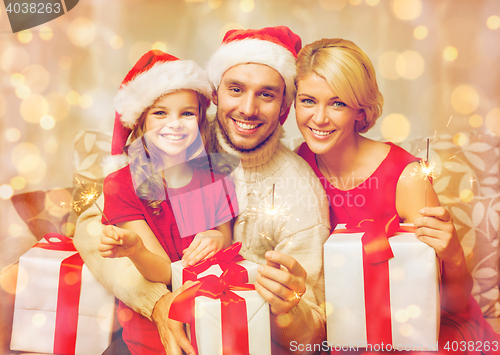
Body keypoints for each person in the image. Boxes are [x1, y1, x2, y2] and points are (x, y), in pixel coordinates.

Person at [74, 26, 331, 355]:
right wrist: (157, 302)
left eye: (266, 94)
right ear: (215, 93)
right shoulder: (174, 141)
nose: (248, 109)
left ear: (284, 105)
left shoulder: (298, 192)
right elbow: (91, 225)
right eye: (235, 89)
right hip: (150, 325)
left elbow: (310, 336)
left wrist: (287, 309)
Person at [295, 38, 500, 354]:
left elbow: (455, 302)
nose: (319, 118)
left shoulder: (405, 177)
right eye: (308, 101)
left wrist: (455, 255)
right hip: (352, 328)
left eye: (337, 103)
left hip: (424, 328)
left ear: (359, 110)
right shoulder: (298, 165)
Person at [93, 50, 238, 354]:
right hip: (152, 332)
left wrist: (216, 236)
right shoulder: (122, 184)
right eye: (161, 113)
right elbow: (164, 272)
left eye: (187, 113)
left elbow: (223, 240)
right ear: (141, 121)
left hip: (212, 316)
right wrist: (135, 249)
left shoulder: (210, 174)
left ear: (200, 120)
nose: (175, 124)